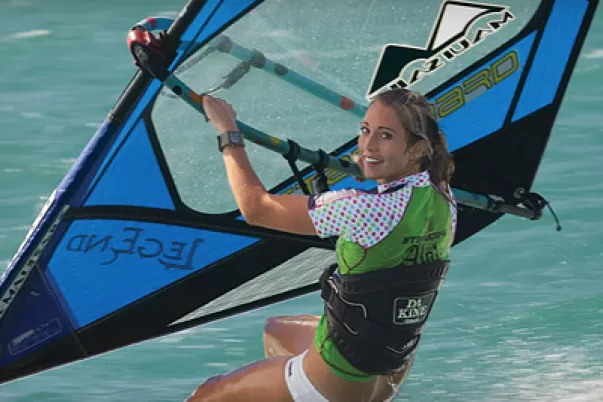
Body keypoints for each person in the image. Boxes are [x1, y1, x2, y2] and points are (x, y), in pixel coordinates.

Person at [186, 88, 457, 402]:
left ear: (418, 148)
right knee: (276, 331)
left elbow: (256, 208)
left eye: (385, 136)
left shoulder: (363, 208)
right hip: (388, 370)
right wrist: (375, 164)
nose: (368, 144)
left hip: (335, 380)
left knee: (207, 394)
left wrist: (228, 131)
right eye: (365, 130)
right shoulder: (444, 197)